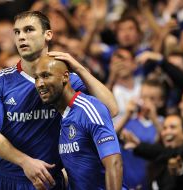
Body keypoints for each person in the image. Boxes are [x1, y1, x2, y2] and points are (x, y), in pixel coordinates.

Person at [0, 11, 118, 190]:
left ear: (48, 35)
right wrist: (25, 162)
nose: (21, 37)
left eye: (28, 30)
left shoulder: (66, 79)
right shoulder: (0, 80)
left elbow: (111, 109)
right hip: (10, 180)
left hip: (50, 181)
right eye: (17, 32)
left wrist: (79, 68)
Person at [34, 55, 124, 190]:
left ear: (65, 77)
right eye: (36, 78)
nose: (40, 83)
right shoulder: (61, 118)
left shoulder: (89, 108)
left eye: (46, 76)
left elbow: (114, 163)